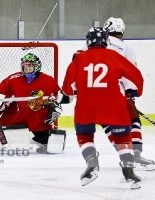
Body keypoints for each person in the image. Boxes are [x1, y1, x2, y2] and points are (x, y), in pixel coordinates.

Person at [58, 27, 143, 189]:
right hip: (114, 107)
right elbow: (136, 78)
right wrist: (134, 91)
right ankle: (129, 172)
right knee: (122, 138)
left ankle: (92, 163)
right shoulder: (115, 57)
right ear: (106, 41)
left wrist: (68, 94)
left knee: (84, 135)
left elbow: (69, 89)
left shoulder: (79, 58)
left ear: (88, 41)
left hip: (86, 107)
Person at [0, 53, 65, 154]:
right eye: (25, 66)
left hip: (39, 122)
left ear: (36, 66)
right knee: (14, 150)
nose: (27, 68)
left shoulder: (48, 81)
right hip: (15, 121)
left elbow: (58, 98)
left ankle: (41, 139)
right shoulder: (13, 79)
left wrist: (55, 108)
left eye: (30, 65)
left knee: (52, 147)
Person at [102, 17, 154, 171]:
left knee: (106, 122)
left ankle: (125, 155)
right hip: (117, 91)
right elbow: (131, 72)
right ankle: (135, 154)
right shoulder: (126, 48)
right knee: (133, 121)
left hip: (94, 91)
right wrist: (131, 91)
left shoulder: (93, 45)